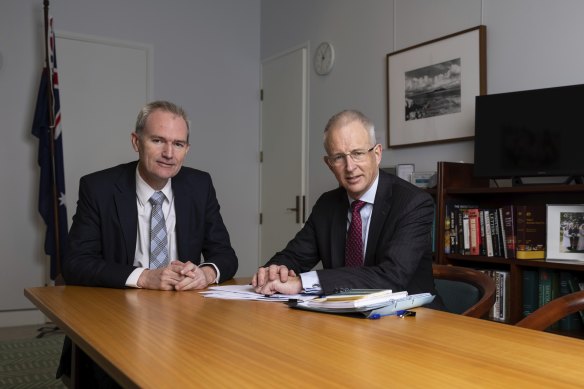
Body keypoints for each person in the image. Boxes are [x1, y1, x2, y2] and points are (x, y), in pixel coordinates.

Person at [58, 100, 238, 386]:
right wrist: (144, 277)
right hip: (116, 320)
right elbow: (75, 263)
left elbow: (225, 254)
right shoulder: (99, 187)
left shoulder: (199, 185)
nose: (169, 153)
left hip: (186, 321)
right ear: (136, 141)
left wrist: (205, 273)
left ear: (187, 150)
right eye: (158, 140)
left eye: (178, 144)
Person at [252, 109, 442, 309]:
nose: (350, 167)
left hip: (410, 318)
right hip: (344, 318)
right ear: (329, 164)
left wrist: (301, 283)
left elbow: (392, 277)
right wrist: (274, 271)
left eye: (358, 153)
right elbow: (295, 256)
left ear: (377, 154)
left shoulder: (413, 203)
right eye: (339, 157)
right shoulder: (327, 204)